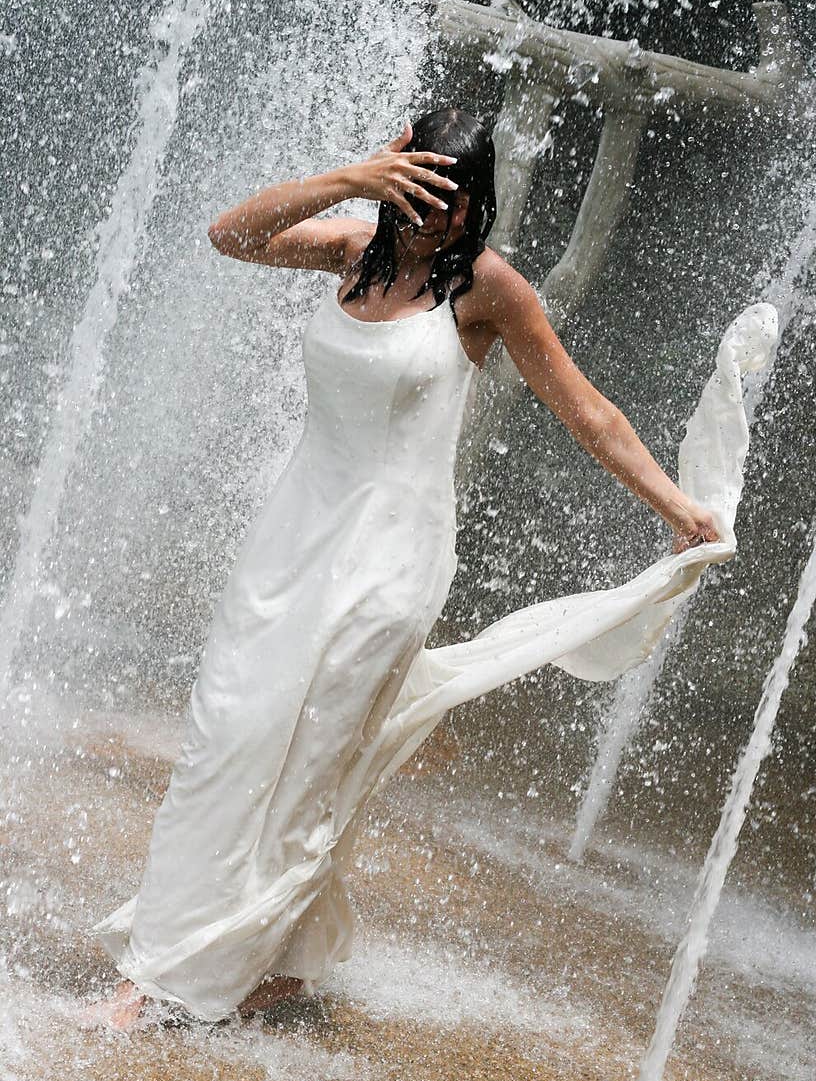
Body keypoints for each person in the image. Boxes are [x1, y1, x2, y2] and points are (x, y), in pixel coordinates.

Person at [82, 107, 718, 1030]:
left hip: (390, 562)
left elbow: (588, 413)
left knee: (307, 764)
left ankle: (164, 979)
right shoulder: (351, 249)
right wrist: (351, 179)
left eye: (454, 202)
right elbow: (231, 234)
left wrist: (677, 508)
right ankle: (279, 960)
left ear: (477, 205)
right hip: (292, 540)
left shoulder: (488, 290)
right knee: (228, 736)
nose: (434, 217)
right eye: (419, 191)